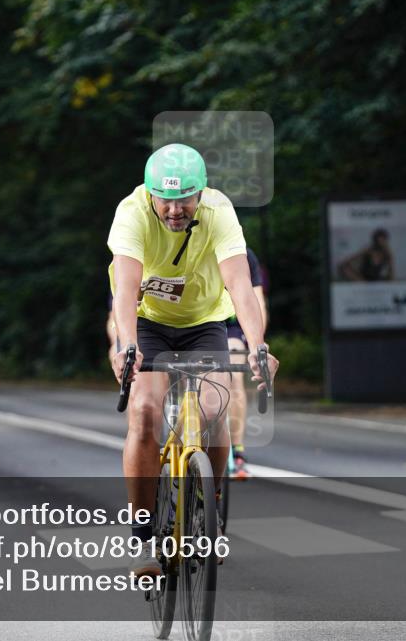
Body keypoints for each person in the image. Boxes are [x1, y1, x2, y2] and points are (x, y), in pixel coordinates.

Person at [108, 143, 279, 577]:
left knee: (213, 408)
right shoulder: (131, 212)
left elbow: (240, 284)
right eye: (165, 198)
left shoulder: (220, 212)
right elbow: (125, 288)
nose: (174, 208)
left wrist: (258, 344)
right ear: (150, 193)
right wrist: (127, 344)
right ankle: (143, 535)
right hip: (149, 322)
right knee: (145, 413)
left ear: (201, 192)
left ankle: (210, 503)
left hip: (205, 321)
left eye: (185, 197)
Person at [225, 247, 268, 480]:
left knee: (234, 375)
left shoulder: (244, 254)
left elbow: (257, 302)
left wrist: (256, 344)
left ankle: (237, 450)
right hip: (196, 322)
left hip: (231, 325)